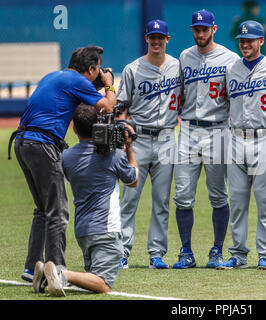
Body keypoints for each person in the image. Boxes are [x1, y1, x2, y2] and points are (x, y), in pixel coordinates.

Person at [12, 46, 116, 283]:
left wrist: (96, 86)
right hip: (42, 145)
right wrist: (109, 83)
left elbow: (75, 98)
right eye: (97, 69)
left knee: (43, 209)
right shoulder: (77, 80)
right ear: (91, 69)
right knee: (58, 212)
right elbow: (108, 106)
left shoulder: (55, 75)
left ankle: (32, 267)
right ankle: (57, 271)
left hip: (22, 143)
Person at [32, 104, 138, 297]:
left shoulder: (67, 157)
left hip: (82, 231)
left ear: (74, 128)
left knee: (90, 281)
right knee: (103, 283)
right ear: (99, 125)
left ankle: (46, 278)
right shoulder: (113, 156)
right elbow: (133, 180)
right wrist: (129, 148)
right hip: (106, 229)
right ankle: (61, 272)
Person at [217, 20, 266, 270]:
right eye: (242, 40)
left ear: (261, 41)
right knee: (236, 200)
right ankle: (238, 254)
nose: (245, 44)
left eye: (250, 40)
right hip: (236, 138)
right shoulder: (231, 69)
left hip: (265, 138)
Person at [172, 9, 239, 269]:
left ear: (214, 29)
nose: (200, 33)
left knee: (219, 195)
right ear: (192, 30)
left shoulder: (230, 58)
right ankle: (186, 251)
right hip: (188, 129)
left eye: (204, 29)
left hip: (218, 130)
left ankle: (217, 251)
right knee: (182, 195)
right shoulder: (184, 57)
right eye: (196, 29)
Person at [116, 19, 181, 270]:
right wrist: (123, 138)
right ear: (146, 39)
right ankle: (121, 252)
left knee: (161, 201)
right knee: (129, 199)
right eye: (152, 36)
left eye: (160, 37)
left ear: (167, 39)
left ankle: (156, 253)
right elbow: (122, 106)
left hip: (166, 137)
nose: (156, 40)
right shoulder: (133, 69)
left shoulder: (177, 67)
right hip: (138, 138)